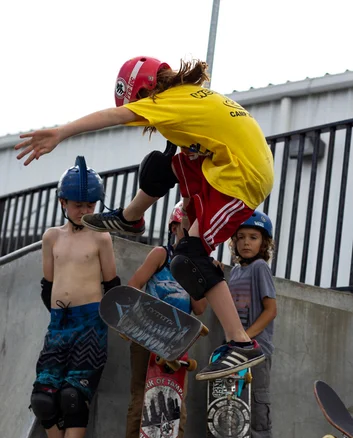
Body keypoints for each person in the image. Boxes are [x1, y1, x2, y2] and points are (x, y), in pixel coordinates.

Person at [15, 56, 274, 381]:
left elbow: (113, 116)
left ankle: (241, 342)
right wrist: (189, 203)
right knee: (164, 162)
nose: (145, 122)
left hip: (240, 179)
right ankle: (130, 217)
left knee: (188, 258)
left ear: (143, 92)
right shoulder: (187, 100)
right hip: (220, 168)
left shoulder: (164, 101)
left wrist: (62, 132)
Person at [26, 156, 120, 438]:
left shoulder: (101, 238)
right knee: (44, 399)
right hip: (59, 325)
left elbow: (112, 285)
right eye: (77, 204)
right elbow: (47, 286)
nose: (84, 210)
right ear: (62, 202)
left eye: (89, 204)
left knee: (72, 397)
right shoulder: (51, 237)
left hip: (91, 323)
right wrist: (57, 319)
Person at [117, 201, 207, 438]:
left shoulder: (198, 265)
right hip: (147, 337)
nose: (192, 239)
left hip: (178, 342)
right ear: (174, 228)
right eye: (187, 232)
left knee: (173, 407)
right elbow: (134, 285)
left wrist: (201, 277)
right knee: (141, 399)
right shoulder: (161, 255)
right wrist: (131, 322)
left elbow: (199, 309)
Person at [227, 210, 278, 438]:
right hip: (234, 354)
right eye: (241, 237)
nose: (246, 243)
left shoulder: (259, 268)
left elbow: (271, 310)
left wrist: (245, 337)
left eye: (254, 237)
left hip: (256, 353)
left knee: (258, 418)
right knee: (234, 416)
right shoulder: (234, 273)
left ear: (264, 243)